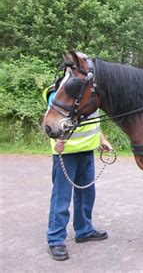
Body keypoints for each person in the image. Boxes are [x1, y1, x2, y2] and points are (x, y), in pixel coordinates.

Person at [43, 80, 112, 261]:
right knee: (61, 197)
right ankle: (56, 240)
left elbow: (91, 119)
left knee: (86, 193)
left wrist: (101, 139)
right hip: (66, 153)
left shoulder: (88, 92)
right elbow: (53, 121)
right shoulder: (59, 93)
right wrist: (58, 140)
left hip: (87, 149)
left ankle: (84, 230)